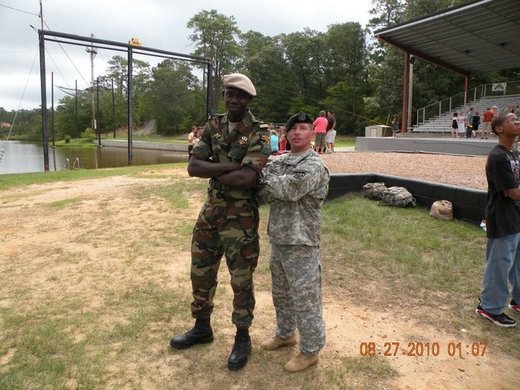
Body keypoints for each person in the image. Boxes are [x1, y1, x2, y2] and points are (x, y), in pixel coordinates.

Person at [169, 73, 271, 370]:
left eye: (239, 95)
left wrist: (212, 167)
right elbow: (192, 167)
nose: (233, 100)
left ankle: (242, 337)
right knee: (200, 271)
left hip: (240, 218)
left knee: (241, 279)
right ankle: (202, 327)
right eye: (229, 94)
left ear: (248, 100)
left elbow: (246, 178)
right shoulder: (213, 125)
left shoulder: (259, 132)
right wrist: (229, 165)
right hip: (211, 212)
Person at [259, 112, 329, 372]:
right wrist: (272, 181)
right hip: (279, 238)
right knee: (281, 293)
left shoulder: (314, 165)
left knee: (305, 298)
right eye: (293, 129)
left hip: (302, 242)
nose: (298, 132)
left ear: (313, 133)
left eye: (303, 128)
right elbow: (260, 188)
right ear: (286, 135)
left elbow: (290, 190)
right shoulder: (281, 162)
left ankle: (311, 350)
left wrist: (270, 181)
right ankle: (286, 333)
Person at [476, 113, 520, 327]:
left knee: (517, 262)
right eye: (512, 120)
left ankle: (518, 301)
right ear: (499, 129)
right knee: (499, 263)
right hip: (501, 217)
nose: (518, 122)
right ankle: (489, 307)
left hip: (515, 216)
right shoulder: (497, 157)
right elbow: (512, 192)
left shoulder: (514, 154)